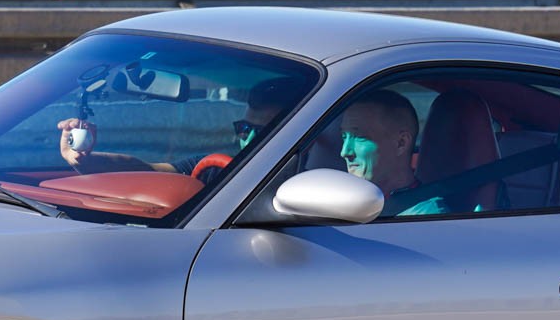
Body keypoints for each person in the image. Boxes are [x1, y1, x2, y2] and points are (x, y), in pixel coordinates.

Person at [55, 75, 301, 177]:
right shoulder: (217, 168)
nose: (249, 138)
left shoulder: (310, 181)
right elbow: (148, 171)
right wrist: (84, 159)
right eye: (245, 128)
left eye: (263, 132)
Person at [337, 89, 449, 216]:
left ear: (401, 143)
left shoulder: (426, 217)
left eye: (360, 137)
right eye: (344, 136)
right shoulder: (348, 206)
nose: (344, 152)